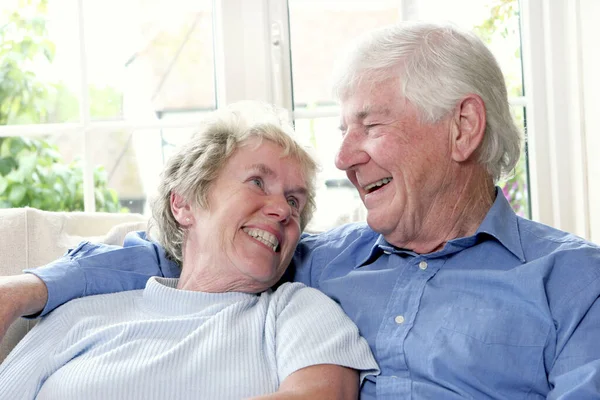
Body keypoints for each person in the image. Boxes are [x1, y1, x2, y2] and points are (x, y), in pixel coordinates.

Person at [1, 20, 600, 399]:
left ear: (463, 128)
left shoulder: (575, 283)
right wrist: (26, 289)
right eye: (342, 129)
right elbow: (183, 256)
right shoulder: (313, 260)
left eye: (368, 125)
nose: (341, 157)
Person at [0, 101, 379, 399]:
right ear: (183, 204)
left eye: (295, 201)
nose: (283, 210)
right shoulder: (77, 317)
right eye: (258, 182)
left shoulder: (298, 312)